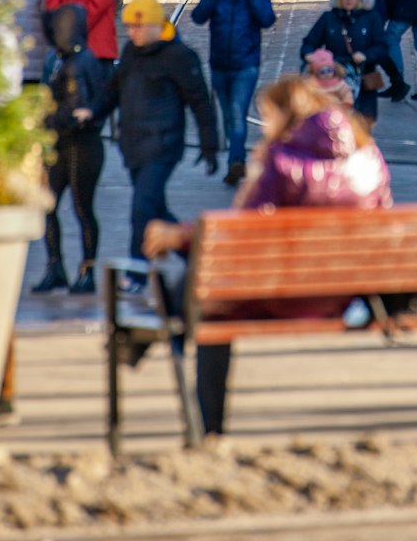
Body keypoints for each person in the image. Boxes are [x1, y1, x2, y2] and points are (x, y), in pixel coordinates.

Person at [143, 76, 391, 432]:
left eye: (267, 116)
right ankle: (144, 348)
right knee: (203, 285)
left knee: (206, 293)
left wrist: (176, 236)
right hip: (341, 292)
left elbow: (240, 230)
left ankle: (206, 426)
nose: (266, 126)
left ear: (285, 115)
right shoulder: (368, 157)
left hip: (281, 294)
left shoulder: (280, 160)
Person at [81, 0, 216, 286]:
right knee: (154, 208)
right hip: (133, 145)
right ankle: (199, 255)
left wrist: (210, 144)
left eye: (139, 27)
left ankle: (137, 273)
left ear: (157, 25)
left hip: (163, 144)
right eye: (130, 27)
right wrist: (92, 112)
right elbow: (112, 91)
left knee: (141, 208)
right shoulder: (131, 52)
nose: (134, 32)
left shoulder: (179, 56)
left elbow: (200, 101)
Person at [32, 3, 107, 295]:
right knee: (71, 207)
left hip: (75, 144)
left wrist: (45, 118)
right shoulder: (78, 58)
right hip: (75, 145)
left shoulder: (72, 65)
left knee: (74, 207)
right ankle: (67, 268)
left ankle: (71, 268)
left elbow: (75, 111)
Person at [192, 0, 276, 185]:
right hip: (219, 64)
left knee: (238, 114)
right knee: (228, 116)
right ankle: (236, 159)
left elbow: (267, 20)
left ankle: (235, 163)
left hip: (246, 65)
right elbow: (198, 18)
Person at [301, 0, 391, 125]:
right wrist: (310, 55)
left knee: (363, 125)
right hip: (334, 77)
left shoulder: (371, 18)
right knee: (335, 124)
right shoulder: (329, 18)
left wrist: (366, 55)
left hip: (364, 78)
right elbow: (309, 43)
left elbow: (382, 47)